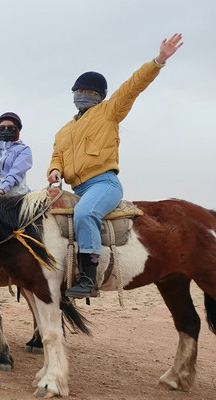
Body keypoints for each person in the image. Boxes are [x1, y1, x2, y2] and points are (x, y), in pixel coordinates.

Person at [48, 33, 183, 299]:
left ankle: (89, 278)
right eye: (79, 92)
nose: (82, 96)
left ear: (100, 96)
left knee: (85, 214)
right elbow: (57, 156)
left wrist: (158, 61)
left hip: (103, 183)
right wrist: (54, 170)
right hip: (78, 187)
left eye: (89, 92)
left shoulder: (109, 111)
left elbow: (132, 86)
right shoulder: (65, 130)